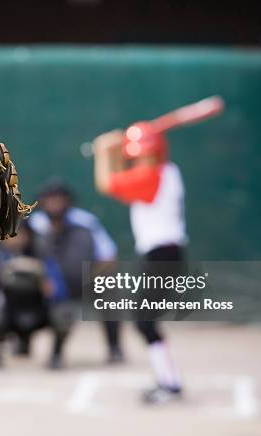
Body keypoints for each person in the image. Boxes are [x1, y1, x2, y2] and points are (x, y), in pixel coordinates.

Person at [93, 127, 185, 404]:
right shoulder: (166, 172)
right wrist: (116, 150)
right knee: (146, 321)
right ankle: (169, 381)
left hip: (163, 256)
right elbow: (123, 177)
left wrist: (101, 152)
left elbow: (107, 183)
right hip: (163, 255)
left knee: (144, 322)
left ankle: (169, 385)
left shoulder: (152, 176)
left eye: (144, 155)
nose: (140, 161)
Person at [29, 181, 124, 364]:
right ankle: (26, 345)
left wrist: (88, 277)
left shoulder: (85, 222)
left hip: (83, 280)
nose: (54, 204)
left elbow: (108, 255)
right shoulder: (34, 224)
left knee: (109, 289)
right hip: (47, 285)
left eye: (59, 199)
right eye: (50, 200)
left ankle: (115, 347)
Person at [0, 222, 70, 368]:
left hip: (40, 312)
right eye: (9, 236)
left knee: (63, 314)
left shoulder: (42, 259)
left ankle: (56, 355)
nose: (15, 239)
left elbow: (60, 291)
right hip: (9, 315)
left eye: (19, 234)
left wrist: (49, 288)